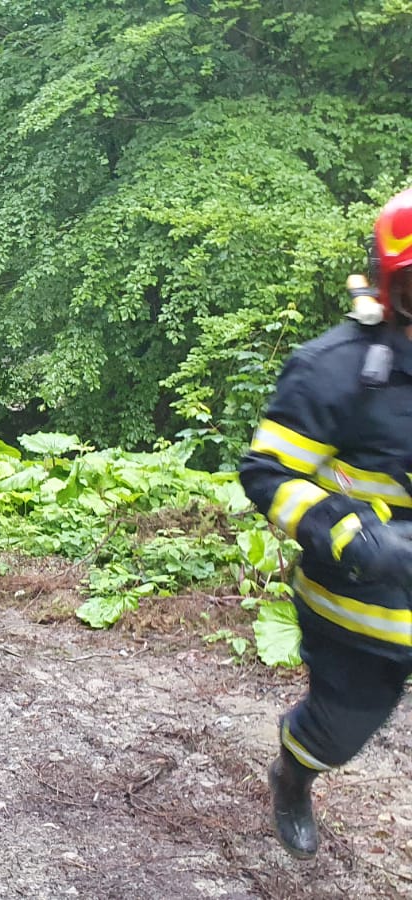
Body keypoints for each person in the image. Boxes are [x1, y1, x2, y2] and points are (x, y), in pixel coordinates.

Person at [239, 185, 412, 860]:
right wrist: (351, 534)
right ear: (387, 288)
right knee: (338, 733)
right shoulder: (332, 371)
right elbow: (266, 473)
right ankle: (294, 773)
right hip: (361, 609)